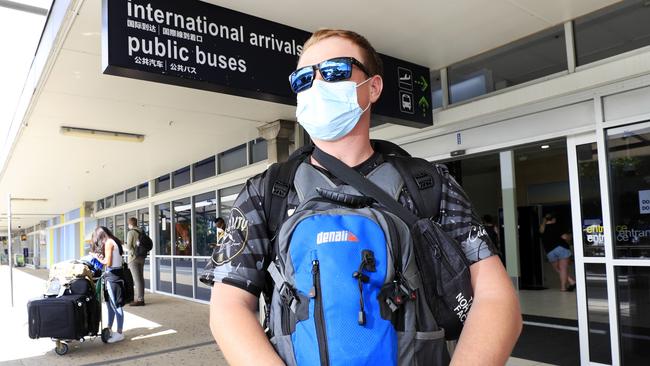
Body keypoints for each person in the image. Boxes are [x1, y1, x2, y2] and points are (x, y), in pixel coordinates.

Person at [201, 29, 522, 365]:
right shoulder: (269, 191)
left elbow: (494, 296)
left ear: (373, 88)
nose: (317, 85)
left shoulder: (427, 184)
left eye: (336, 71)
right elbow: (229, 305)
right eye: (303, 78)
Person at [91, 226, 126, 343]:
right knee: (111, 304)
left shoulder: (109, 243)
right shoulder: (115, 240)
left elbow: (108, 262)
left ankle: (119, 333)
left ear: (101, 236)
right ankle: (110, 328)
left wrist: (96, 257)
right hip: (116, 275)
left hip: (112, 276)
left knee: (115, 305)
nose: (99, 242)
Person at [540, 213, 576, 292]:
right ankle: (563, 287)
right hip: (561, 248)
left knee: (558, 269)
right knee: (563, 268)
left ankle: (571, 282)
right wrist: (569, 238)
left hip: (550, 251)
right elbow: (565, 237)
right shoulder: (557, 226)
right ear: (553, 219)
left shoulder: (542, 228)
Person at [125, 217, 145, 306]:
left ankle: (140, 300)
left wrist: (123, 244)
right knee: (141, 278)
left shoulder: (131, 232)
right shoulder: (141, 231)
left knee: (137, 279)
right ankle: (141, 297)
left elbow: (129, 247)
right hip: (142, 257)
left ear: (130, 224)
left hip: (133, 258)